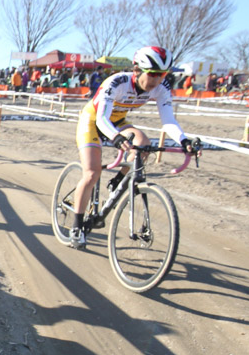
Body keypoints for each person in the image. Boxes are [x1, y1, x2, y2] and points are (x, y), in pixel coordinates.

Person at [67, 46, 197, 249]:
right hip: (93, 120)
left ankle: (119, 180)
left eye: (161, 74)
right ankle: (76, 227)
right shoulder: (117, 82)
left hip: (117, 122)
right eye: (152, 74)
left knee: (144, 143)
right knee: (92, 173)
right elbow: (101, 118)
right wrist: (115, 137)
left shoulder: (161, 89)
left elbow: (168, 120)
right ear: (136, 70)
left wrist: (184, 141)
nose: (156, 80)